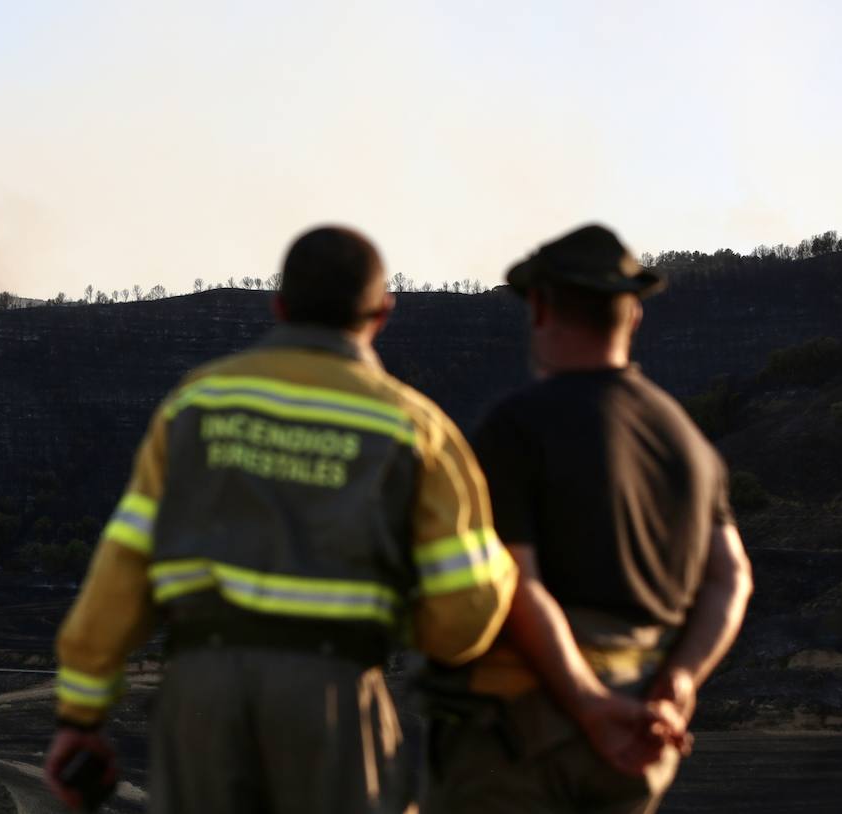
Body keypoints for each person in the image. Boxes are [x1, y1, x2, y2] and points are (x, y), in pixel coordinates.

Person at [43, 225, 519, 813]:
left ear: (279, 305)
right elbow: (466, 611)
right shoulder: (414, 429)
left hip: (203, 695)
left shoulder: (198, 405)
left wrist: (80, 717)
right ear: (382, 312)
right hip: (333, 694)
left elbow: (124, 567)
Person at [421, 224, 754, 813]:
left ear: (540, 308)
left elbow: (517, 582)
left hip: (527, 735)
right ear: (634, 317)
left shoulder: (516, 426)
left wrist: (587, 702)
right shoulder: (689, 443)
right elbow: (732, 578)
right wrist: (679, 682)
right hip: (642, 733)